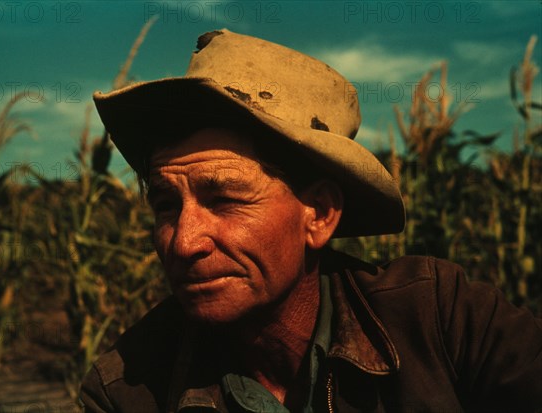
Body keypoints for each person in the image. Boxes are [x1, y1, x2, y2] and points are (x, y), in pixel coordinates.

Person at [80, 29, 542, 413]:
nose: (183, 243)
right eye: (165, 205)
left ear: (318, 214)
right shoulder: (127, 390)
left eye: (223, 200)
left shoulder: (444, 319)